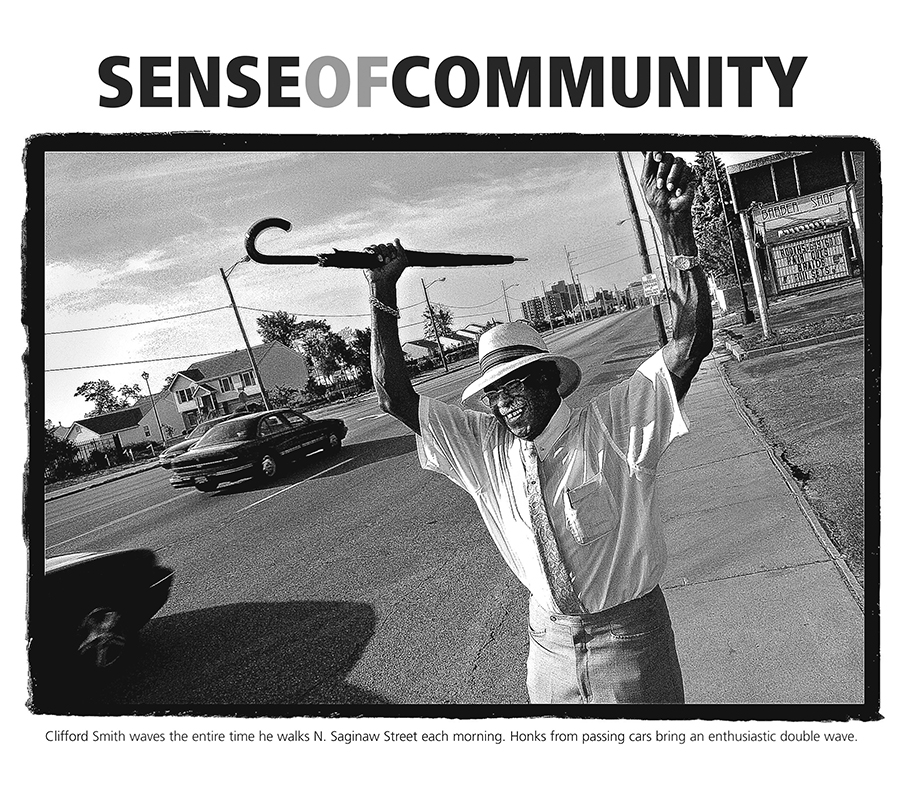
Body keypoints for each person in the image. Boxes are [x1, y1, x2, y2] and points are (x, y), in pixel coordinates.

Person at [361, 151, 712, 704]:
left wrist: (675, 228)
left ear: (551, 379)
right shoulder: (482, 449)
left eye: (519, 380)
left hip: (629, 639)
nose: (506, 399)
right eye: (494, 390)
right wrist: (382, 295)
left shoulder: (613, 426)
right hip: (547, 645)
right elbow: (393, 397)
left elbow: (688, 346)